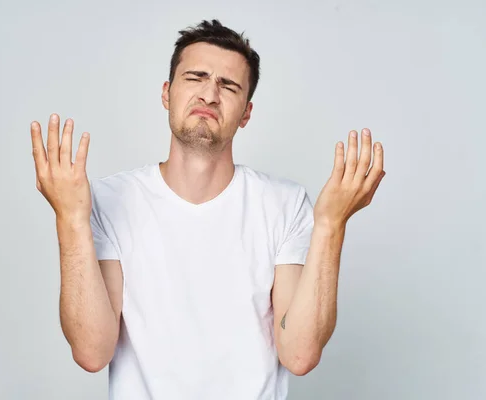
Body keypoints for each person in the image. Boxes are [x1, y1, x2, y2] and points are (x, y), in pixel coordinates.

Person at [30, 19, 385, 400]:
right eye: (195, 77)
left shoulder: (285, 204)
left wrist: (330, 225)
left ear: (246, 113)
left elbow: (299, 354)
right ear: (167, 93)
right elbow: (91, 351)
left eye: (228, 86)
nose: (210, 95)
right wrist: (70, 219)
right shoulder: (111, 200)